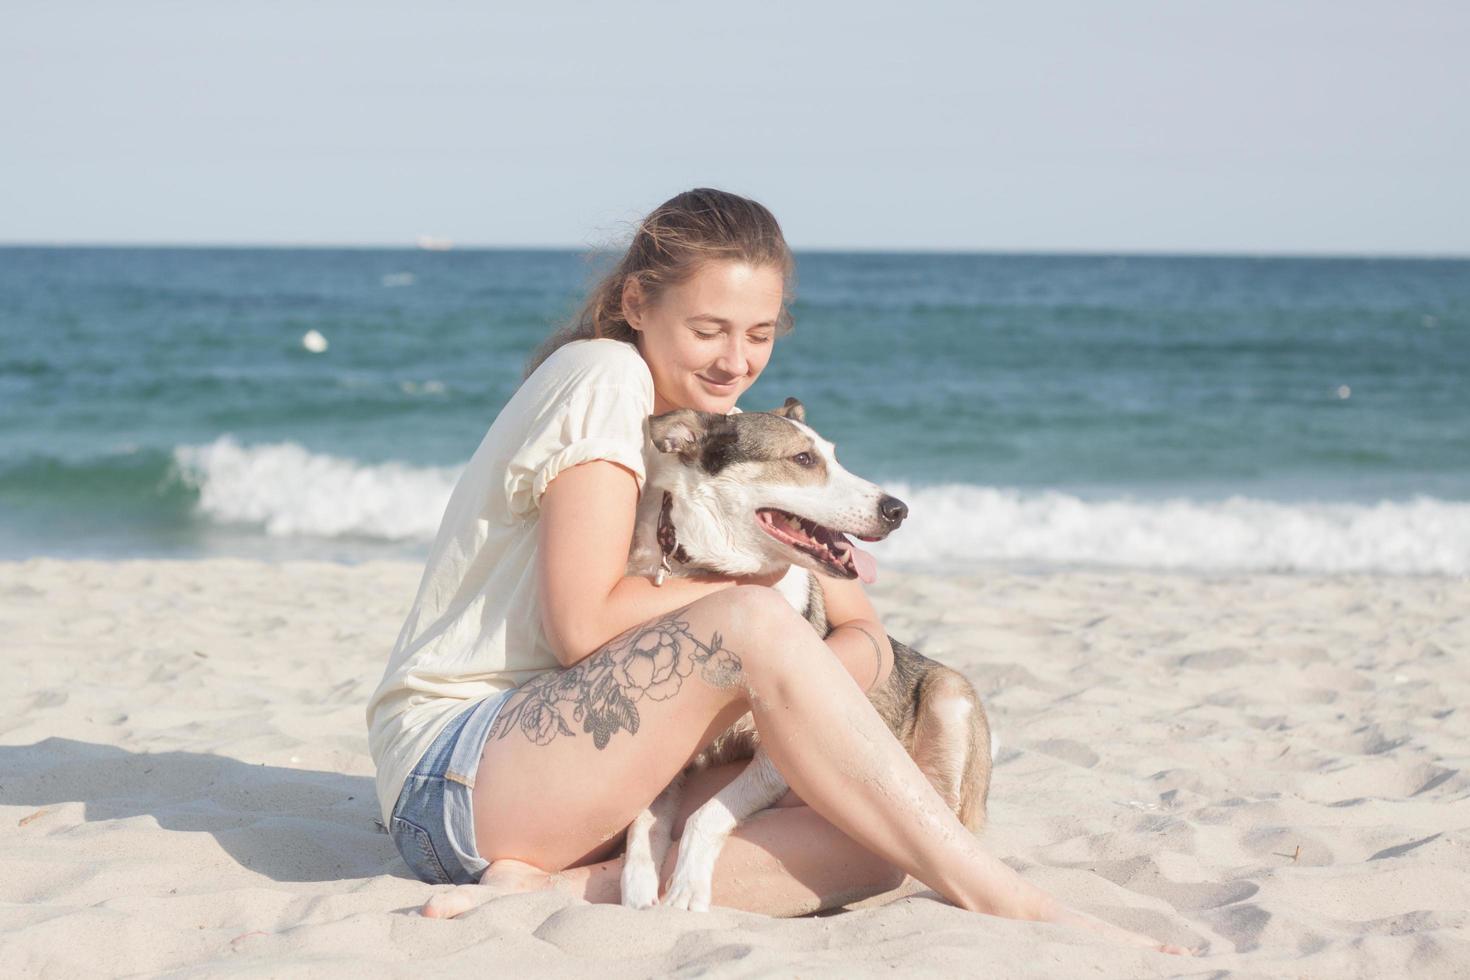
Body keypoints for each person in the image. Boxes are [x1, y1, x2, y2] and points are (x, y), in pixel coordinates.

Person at [365, 188, 1184, 953]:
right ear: (635, 303)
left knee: (883, 836)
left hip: (569, 776)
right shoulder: (605, 379)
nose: (733, 362)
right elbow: (581, 626)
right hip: (458, 772)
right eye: (709, 329)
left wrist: (802, 687)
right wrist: (755, 613)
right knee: (758, 622)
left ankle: (570, 888)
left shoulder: (720, 437)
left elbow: (863, 628)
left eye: (758, 335)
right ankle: (1012, 900)